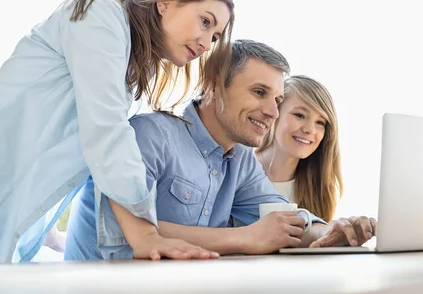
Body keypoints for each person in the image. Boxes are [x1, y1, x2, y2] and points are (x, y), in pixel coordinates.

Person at [0, 0, 234, 263]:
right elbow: (107, 134)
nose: (207, 43)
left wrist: (46, 234)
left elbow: (64, 147)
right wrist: (145, 236)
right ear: (165, 1)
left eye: (216, 37)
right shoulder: (100, 15)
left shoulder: (133, 63)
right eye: (205, 22)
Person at [64, 40, 376, 260]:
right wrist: (245, 238)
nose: (273, 111)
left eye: (278, 100)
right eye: (259, 92)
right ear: (213, 84)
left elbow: (282, 218)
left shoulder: (240, 160)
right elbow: (122, 230)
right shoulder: (150, 134)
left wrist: (328, 231)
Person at [255, 75, 343, 223]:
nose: (310, 129)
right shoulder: (239, 168)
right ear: (275, 113)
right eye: (300, 115)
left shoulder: (318, 186)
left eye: (320, 122)